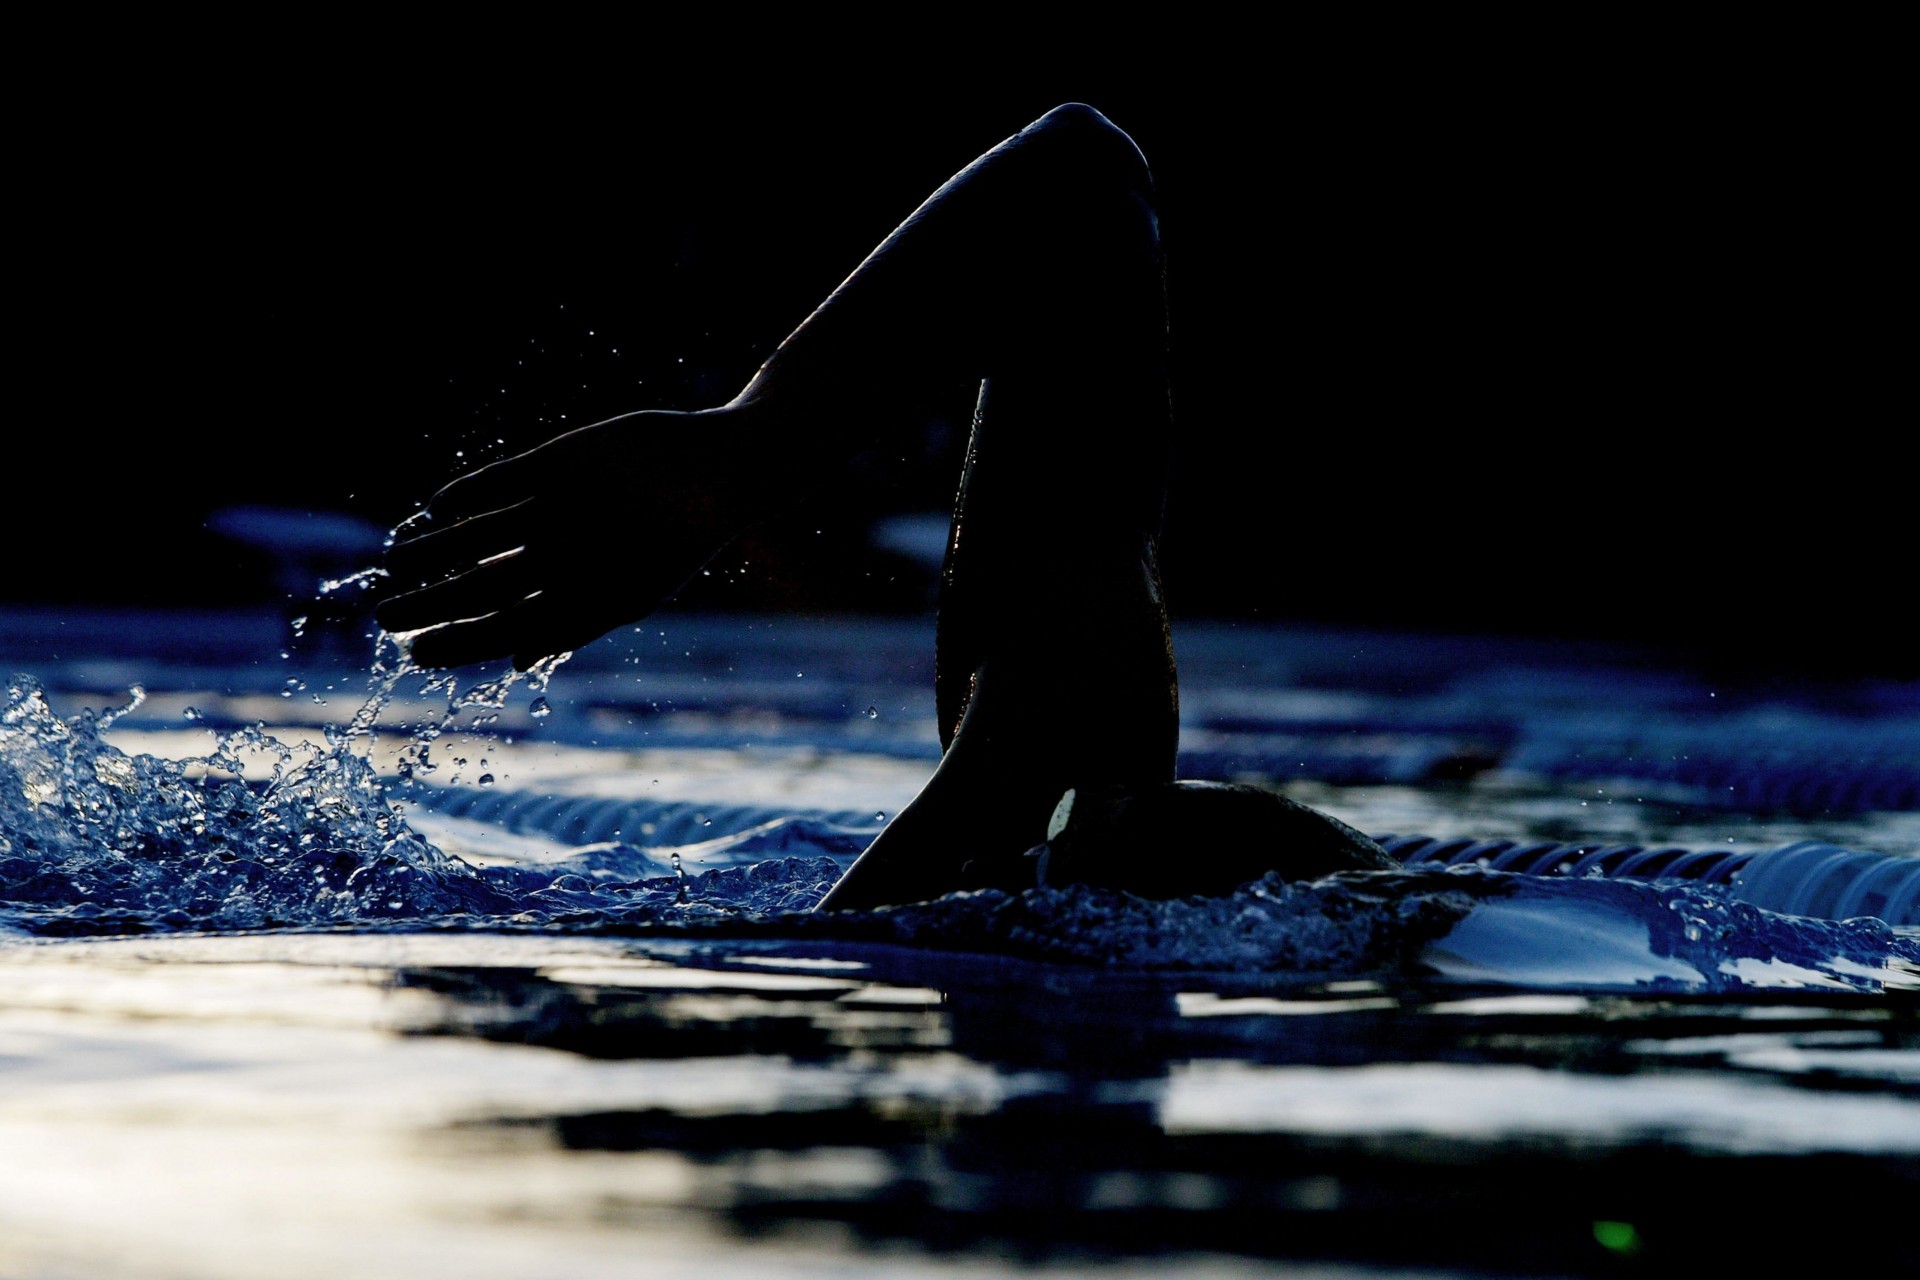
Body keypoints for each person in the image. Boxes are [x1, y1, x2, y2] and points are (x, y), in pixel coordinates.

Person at [376, 104, 1393, 911]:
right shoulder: (1027, 802)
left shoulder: (1011, 795)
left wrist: (748, 447)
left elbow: (1077, 175)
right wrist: (745, 449)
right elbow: (1077, 179)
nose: (1155, 796)